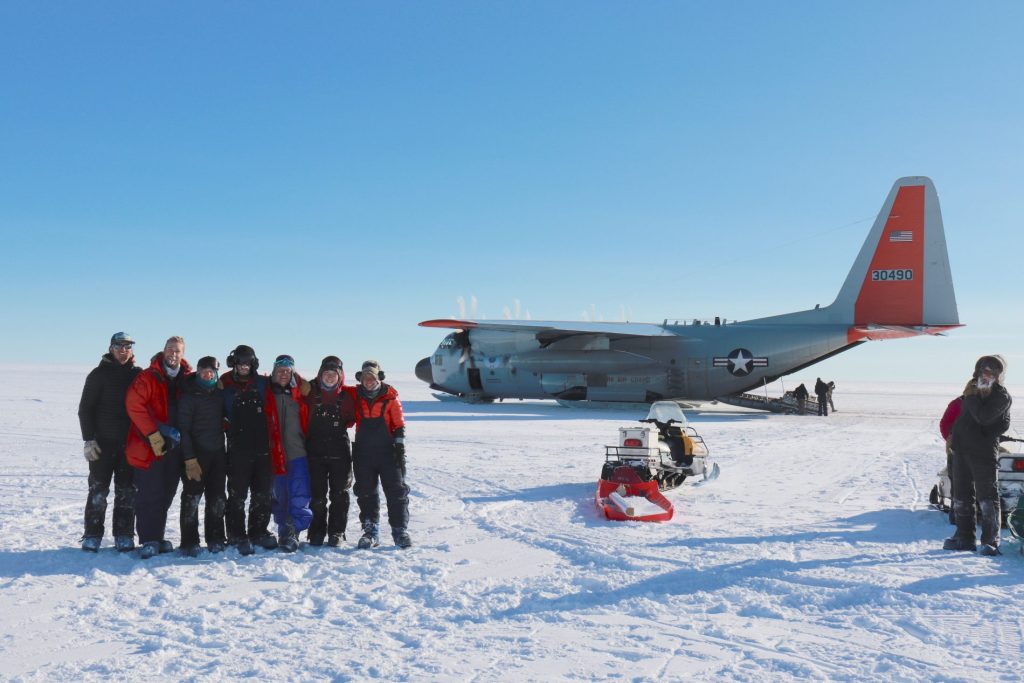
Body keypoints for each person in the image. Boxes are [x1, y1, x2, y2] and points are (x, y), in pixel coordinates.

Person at [125, 336, 191, 559]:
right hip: (149, 445)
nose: (173, 354)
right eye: (170, 349)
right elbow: (134, 405)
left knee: (167, 492)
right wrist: (154, 433)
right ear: (163, 351)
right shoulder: (148, 376)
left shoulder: (187, 378)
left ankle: (157, 535)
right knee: (150, 492)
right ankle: (149, 540)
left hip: (175, 446)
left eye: (178, 351)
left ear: (183, 354)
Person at [77, 332, 142, 552]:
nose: (123, 350)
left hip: (129, 444)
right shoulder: (98, 375)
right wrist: (89, 439)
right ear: (111, 348)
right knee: (98, 490)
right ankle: (92, 534)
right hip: (102, 444)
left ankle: (124, 534)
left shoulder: (138, 375)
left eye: (127, 346)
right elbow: (85, 409)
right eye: (119, 346)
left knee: (127, 491)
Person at [944, 355, 1012, 556]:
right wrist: (953, 439)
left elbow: (983, 418)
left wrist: (972, 396)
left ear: (999, 375)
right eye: (984, 370)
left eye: (992, 371)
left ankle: (990, 542)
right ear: (978, 371)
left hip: (983, 453)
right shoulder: (972, 393)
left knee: (987, 498)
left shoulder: (1001, 396)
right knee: (961, 496)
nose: (987, 374)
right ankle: (964, 538)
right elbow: (966, 420)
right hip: (962, 450)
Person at [221, 344, 275, 555]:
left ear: (253, 363)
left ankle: (258, 531)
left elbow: (285, 380)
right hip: (237, 448)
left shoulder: (263, 383)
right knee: (237, 494)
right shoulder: (223, 383)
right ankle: (236, 535)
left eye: (247, 362)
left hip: (263, 446)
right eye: (240, 362)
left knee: (262, 493)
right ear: (234, 363)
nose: (244, 366)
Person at [352, 360, 410, 549]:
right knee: (366, 493)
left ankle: (399, 530)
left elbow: (399, 423)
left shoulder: (390, 397)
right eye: (365, 378)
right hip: (364, 452)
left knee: (396, 492)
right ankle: (371, 530)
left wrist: (399, 446)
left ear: (378, 378)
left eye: (372, 378)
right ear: (361, 379)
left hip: (388, 453)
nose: (368, 381)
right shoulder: (354, 396)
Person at [177, 356, 228, 556]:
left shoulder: (220, 394)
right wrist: (189, 458)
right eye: (204, 371)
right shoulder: (189, 396)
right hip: (195, 455)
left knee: (217, 498)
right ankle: (189, 541)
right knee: (192, 497)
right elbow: (184, 429)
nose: (208, 375)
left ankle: (215, 537)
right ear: (197, 372)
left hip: (217, 454)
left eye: (211, 372)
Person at [304, 356, 356, 547]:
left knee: (339, 494)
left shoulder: (348, 396)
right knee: (317, 495)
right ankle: (316, 531)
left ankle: (337, 532)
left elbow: (353, 419)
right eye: (326, 374)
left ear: (340, 376)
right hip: (315, 451)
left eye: (333, 374)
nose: (329, 377)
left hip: (339, 452)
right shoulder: (309, 392)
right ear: (320, 374)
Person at [266, 354, 313, 552]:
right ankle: (284, 530)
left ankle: (294, 530)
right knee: (279, 494)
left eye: (287, 371)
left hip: (297, 450)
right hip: (275, 451)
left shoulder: (301, 391)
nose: (283, 374)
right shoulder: (266, 390)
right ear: (274, 371)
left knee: (299, 493)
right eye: (280, 370)